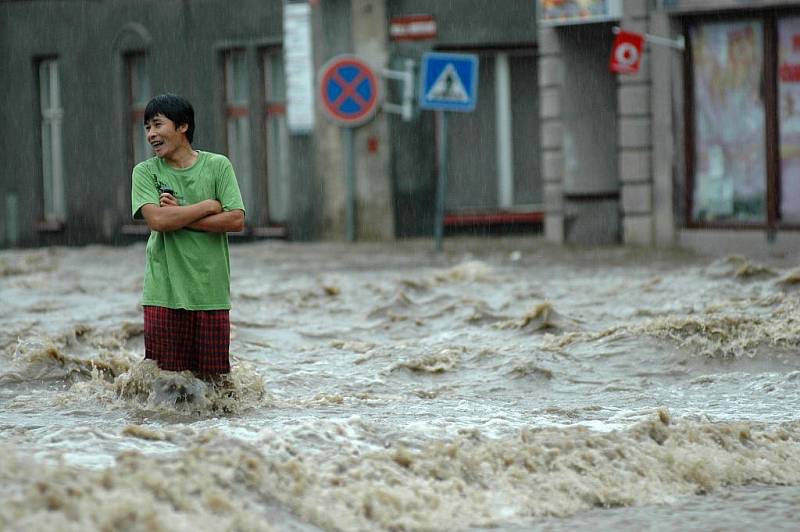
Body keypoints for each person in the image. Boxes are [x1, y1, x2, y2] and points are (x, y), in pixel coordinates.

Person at [131, 93, 245, 379]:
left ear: (182, 126)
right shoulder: (144, 172)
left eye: (157, 125)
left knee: (215, 388)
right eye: (147, 128)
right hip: (163, 295)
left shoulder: (218, 166)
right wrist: (206, 206)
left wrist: (180, 216)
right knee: (166, 386)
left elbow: (235, 219)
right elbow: (157, 220)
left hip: (211, 293)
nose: (151, 134)